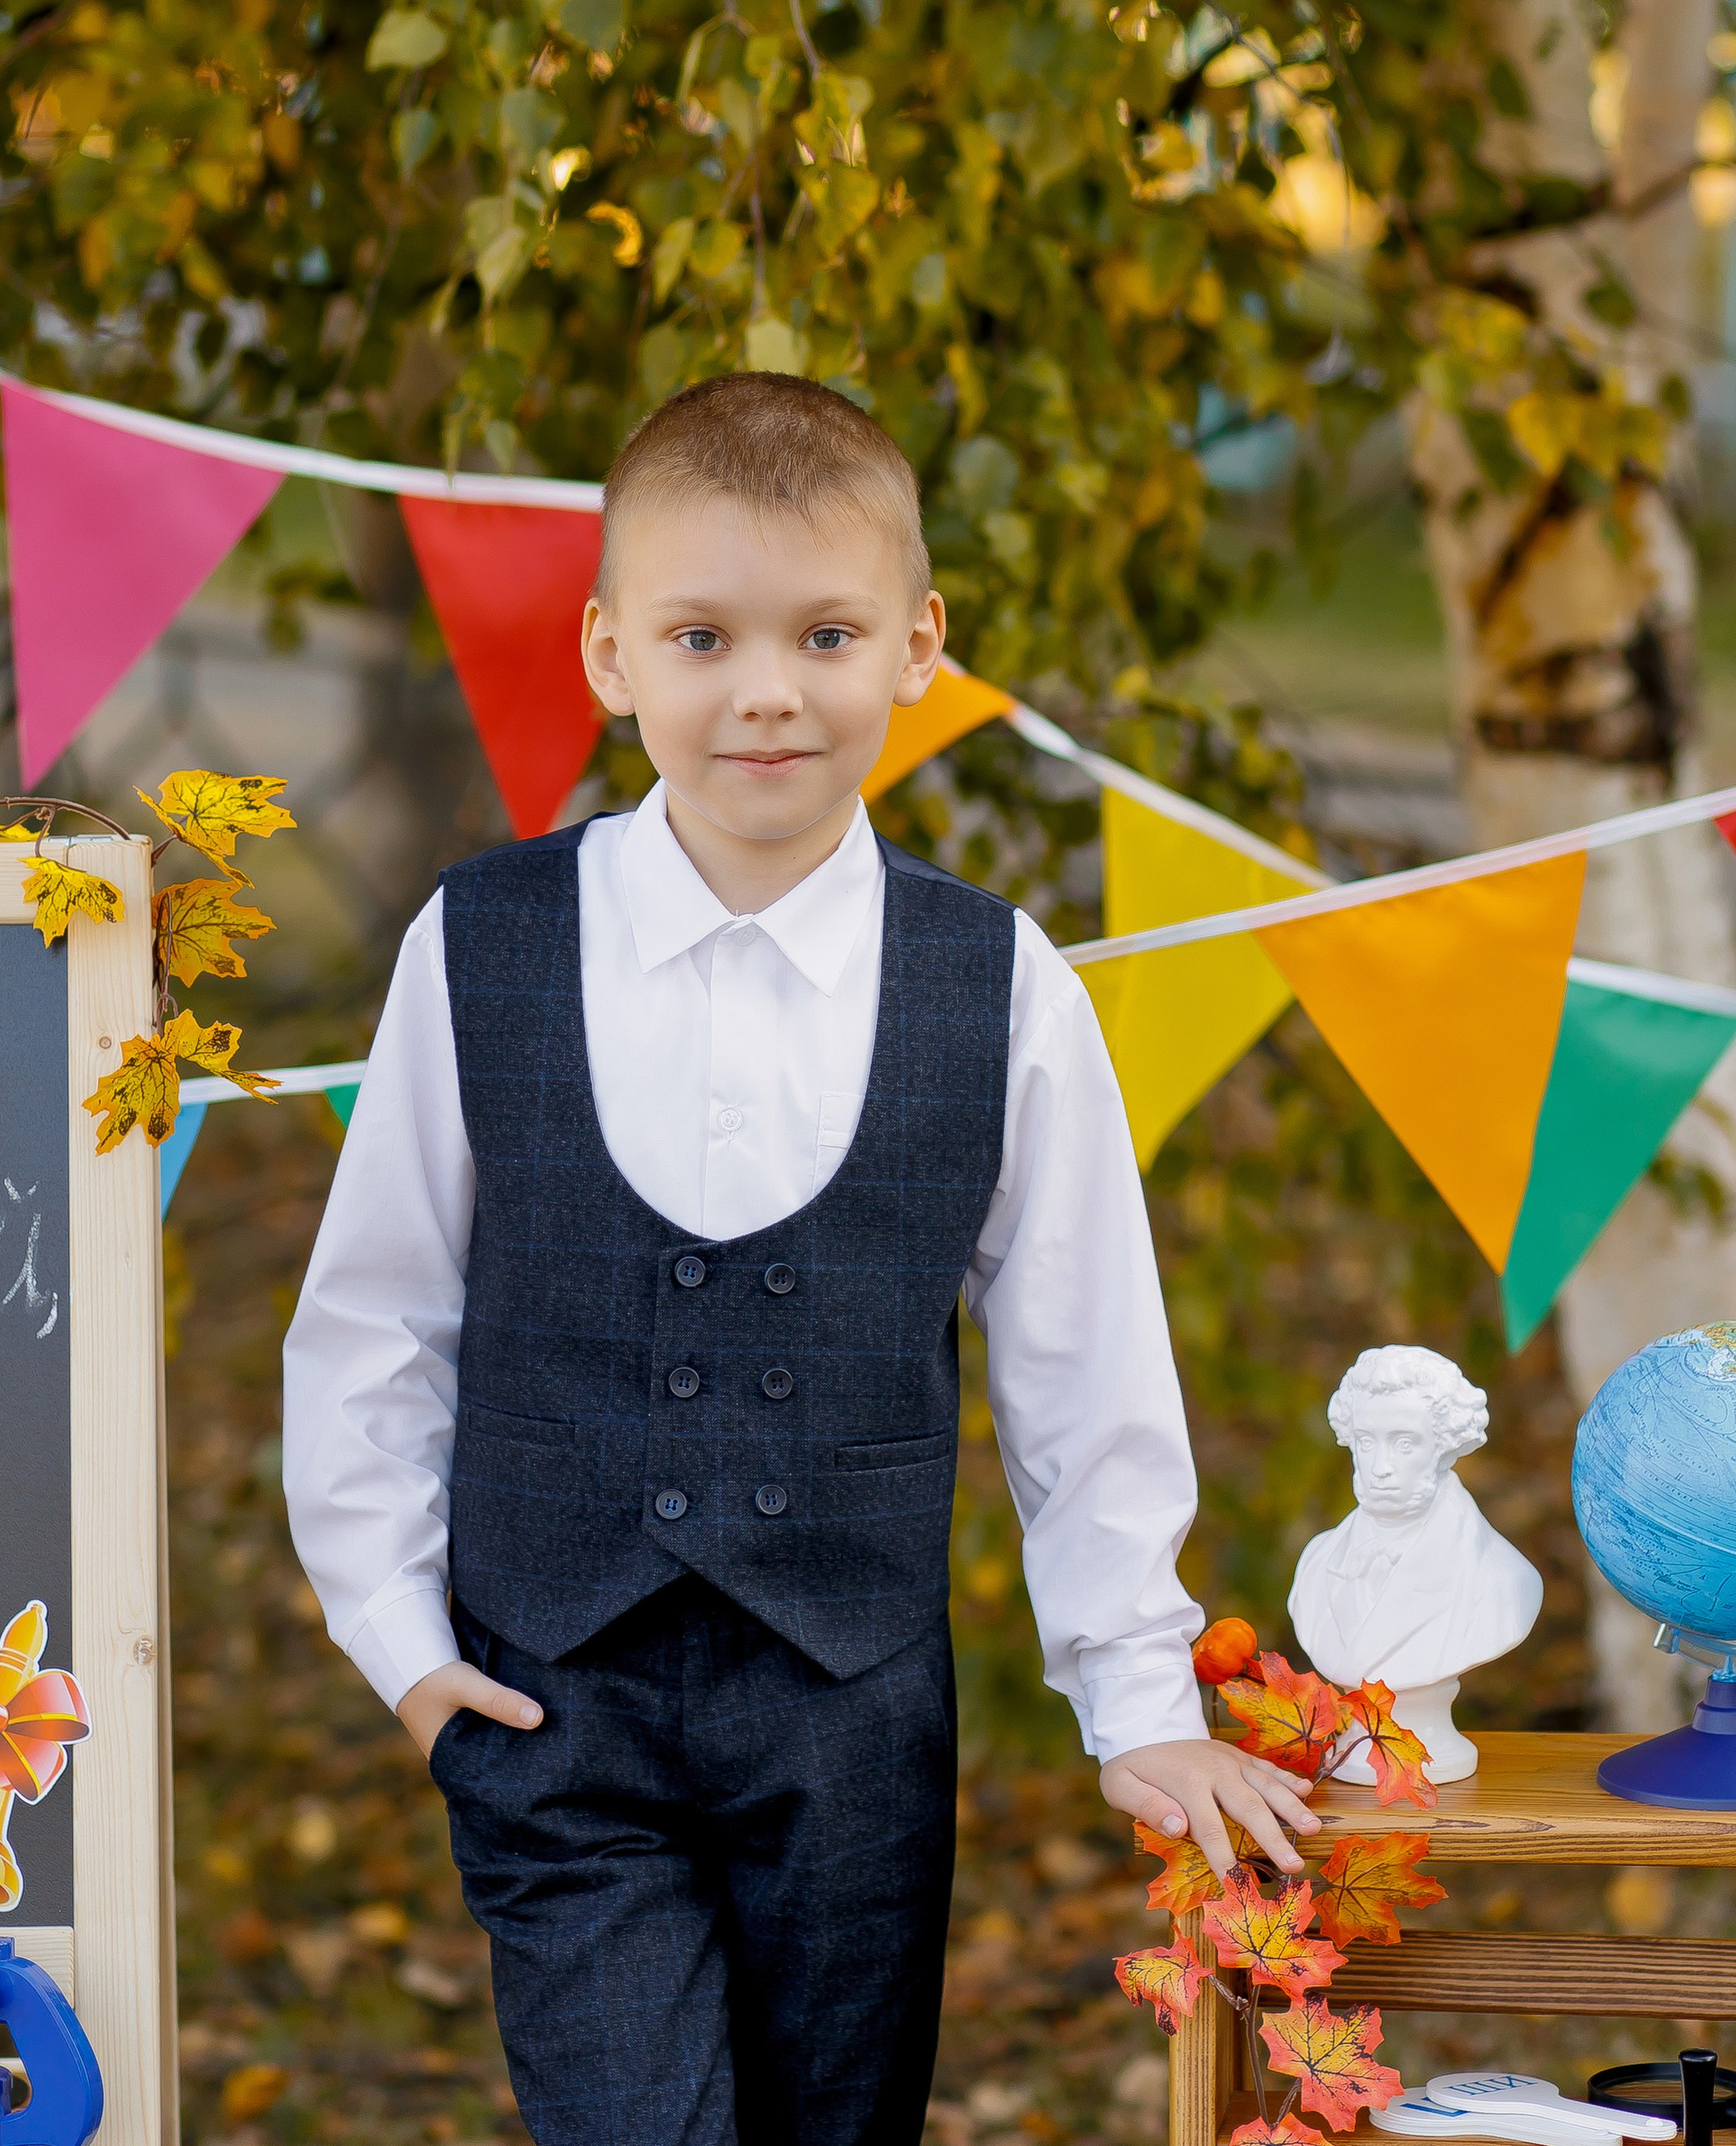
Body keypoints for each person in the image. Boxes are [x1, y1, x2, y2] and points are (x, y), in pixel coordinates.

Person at [283, 372, 1317, 2146]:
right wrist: (397, 1637)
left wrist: (1133, 1693)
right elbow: (378, 1315)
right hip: (548, 1705)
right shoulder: (480, 944)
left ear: (914, 644)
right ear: (611, 653)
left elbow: (1081, 1364)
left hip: (848, 1730)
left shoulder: (996, 989)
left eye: (823, 631)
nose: (765, 687)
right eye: (703, 635)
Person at [1289, 1345, 1542, 1781]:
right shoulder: (1317, 1562)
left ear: (1444, 1448)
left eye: (1405, 1443)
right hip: (1353, 1752)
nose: (1380, 1467)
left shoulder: (1503, 1581)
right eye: (1366, 1442)